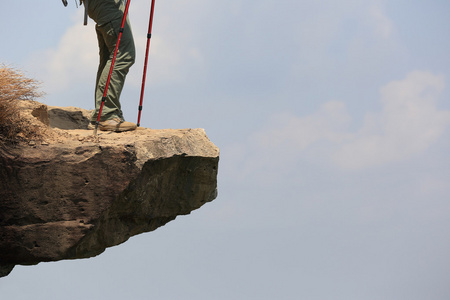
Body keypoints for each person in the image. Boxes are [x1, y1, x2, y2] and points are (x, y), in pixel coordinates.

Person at [87, 0, 137, 132]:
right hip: (107, 5)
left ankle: (104, 114)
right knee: (123, 55)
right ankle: (106, 114)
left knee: (111, 56)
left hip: (103, 5)